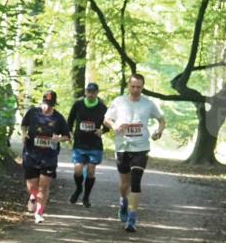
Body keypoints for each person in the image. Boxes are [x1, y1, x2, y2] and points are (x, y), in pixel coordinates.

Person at [104, 73, 167, 233]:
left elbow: (162, 119)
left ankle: (132, 217)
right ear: (128, 86)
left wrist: (158, 132)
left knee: (136, 181)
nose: (135, 89)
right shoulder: (119, 102)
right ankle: (123, 202)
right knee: (125, 184)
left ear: (142, 87)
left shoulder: (148, 104)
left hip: (141, 147)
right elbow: (106, 119)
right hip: (123, 147)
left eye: (139, 87)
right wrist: (115, 127)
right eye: (133, 86)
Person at [20, 91, 71, 223]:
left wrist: (59, 138)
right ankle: (33, 195)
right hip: (31, 154)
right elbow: (24, 125)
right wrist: (24, 135)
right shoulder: (32, 113)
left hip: (49, 156)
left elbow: (67, 136)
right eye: (45, 104)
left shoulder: (59, 118)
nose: (46, 107)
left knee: (43, 186)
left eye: (49, 105)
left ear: (53, 105)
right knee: (32, 186)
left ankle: (39, 212)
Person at [66, 82, 108, 207]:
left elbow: (109, 122)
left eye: (93, 92)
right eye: (88, 92)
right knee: (78, 169)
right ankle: (79, 188)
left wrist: (103, 130)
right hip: (79, 142)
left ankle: (86, 196)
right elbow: (70, 119)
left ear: (97, 93)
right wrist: (68, 133)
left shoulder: (102, 107)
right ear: (85, 92)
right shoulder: (78, 104)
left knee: (90, 170)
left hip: (94, 143)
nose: (90, 94)